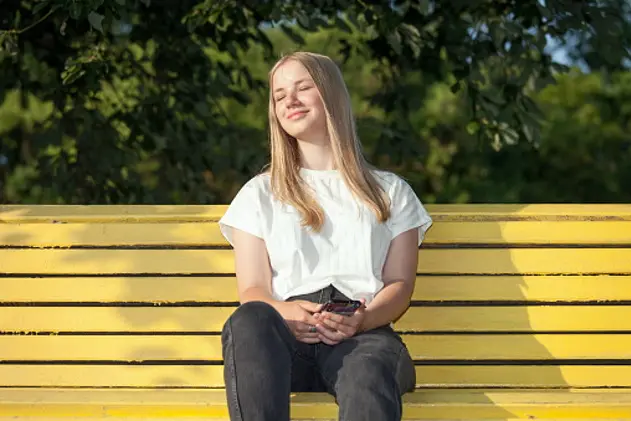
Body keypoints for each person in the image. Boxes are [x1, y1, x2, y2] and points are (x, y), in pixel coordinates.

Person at [218, 51, 433, 421]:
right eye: (280, 95)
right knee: (249, 319)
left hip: (363, 336)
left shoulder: (391, 191)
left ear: (332, 96)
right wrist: (286, 311)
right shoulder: (259, 193)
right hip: (286, 342)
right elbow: (252, 290)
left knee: (367, 371)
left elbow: (400, 285)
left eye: (303, 88)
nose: (291, 100)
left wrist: (362, 320)